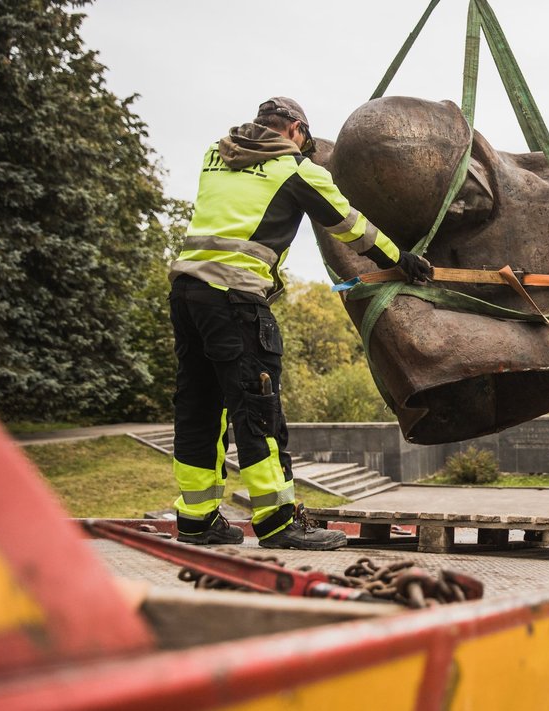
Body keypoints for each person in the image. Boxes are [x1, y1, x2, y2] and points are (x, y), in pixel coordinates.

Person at [168, 97, 432, 549]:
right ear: (294, 129)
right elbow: (350, 226)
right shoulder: (295, 170)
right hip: (235, 299)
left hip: (187, 294)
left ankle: (196, 521)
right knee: (257, 406)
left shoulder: (217, 153)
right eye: (304, 140)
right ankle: (277, 524)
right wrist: (401, 259)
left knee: (199, 406)